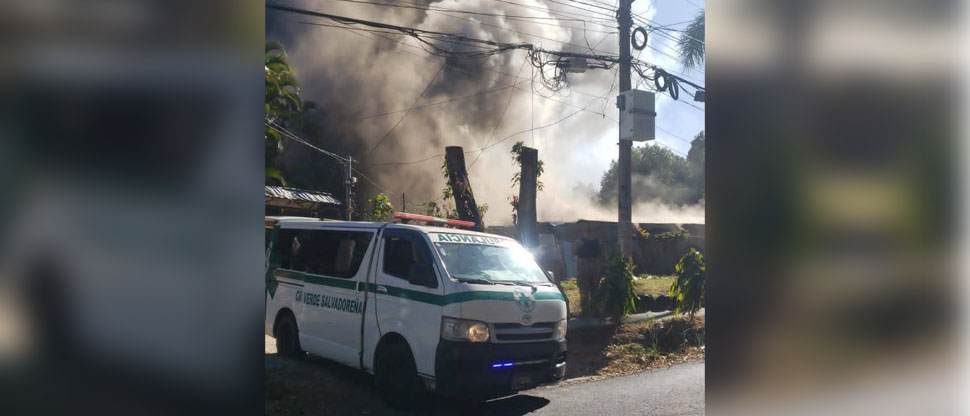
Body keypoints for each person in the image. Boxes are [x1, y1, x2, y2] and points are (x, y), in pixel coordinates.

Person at [572, 224, 603, 315]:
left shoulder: (579, 242)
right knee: (595, 290)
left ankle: (585, 310)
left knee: (584, 290)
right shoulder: (598, 241)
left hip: (583, 268)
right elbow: (602, 254)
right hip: (595, 268)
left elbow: (573, 252)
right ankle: (596, 309)